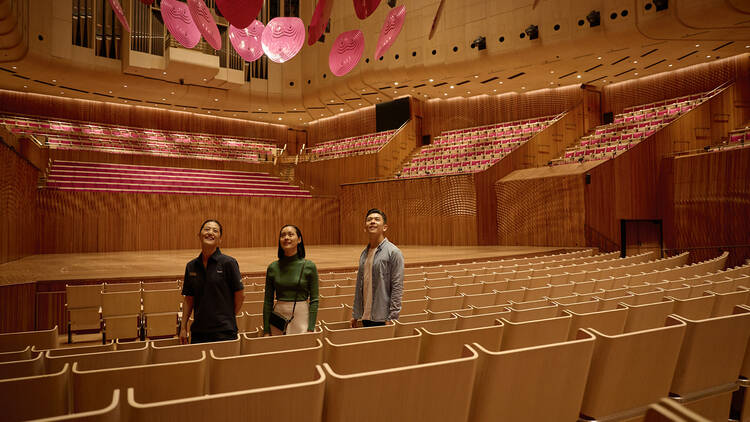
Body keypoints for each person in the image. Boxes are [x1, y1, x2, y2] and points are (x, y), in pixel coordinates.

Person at [180, 220, 245, 344]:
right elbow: (189, 299)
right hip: (199, 332)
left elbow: (240, 296)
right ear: (199, 235)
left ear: (220, 240)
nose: (210, 232)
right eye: (207, 229)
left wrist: (227, 318)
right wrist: (183, 327)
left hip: (224, 332)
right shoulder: (191, 266)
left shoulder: (229, 263)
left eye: (215, 230)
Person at [351, 209, 404, 328]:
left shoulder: (394, 252)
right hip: (365, 316)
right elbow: (360, 286)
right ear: (365, 227)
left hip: (383, 317)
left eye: (377, 219)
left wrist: (392, 317)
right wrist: (356, 314)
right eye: (369, 220)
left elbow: (397, 287)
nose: (372, 222)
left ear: (384, 227)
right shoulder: (364, 254)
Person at [263, 225, 319, 335]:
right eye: (282, 235)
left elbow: (314, 300)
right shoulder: (272, 268)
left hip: (302, 317)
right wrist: (266, 329)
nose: (286, 238)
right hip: (279, 317)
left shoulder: (309, 266)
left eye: (290, 234)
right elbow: (268, 301)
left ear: (299, 239)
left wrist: (311, 328)